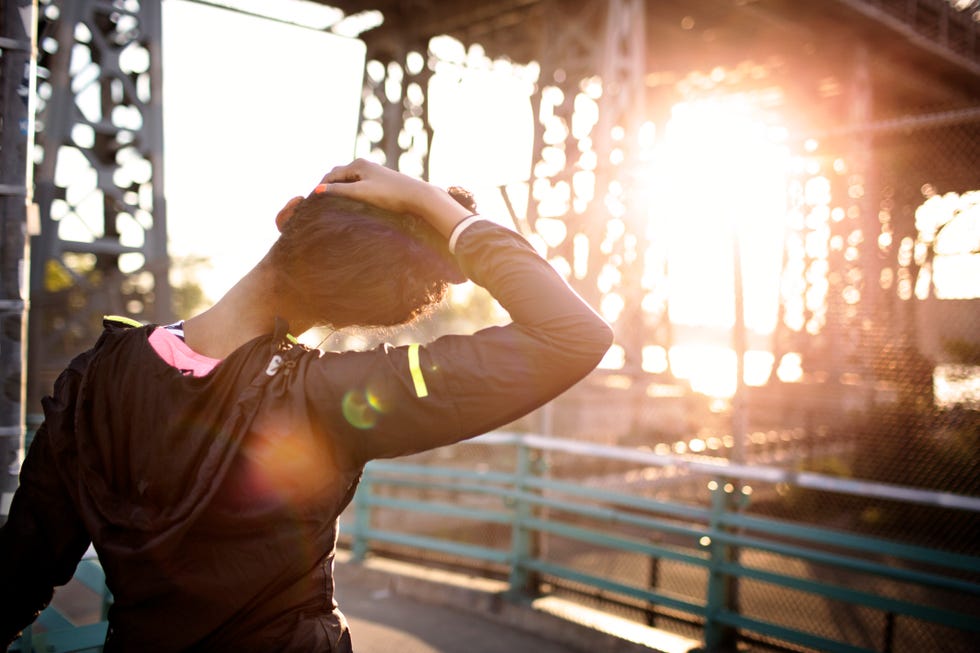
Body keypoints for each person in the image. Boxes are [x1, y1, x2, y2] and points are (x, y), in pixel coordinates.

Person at [0, 159, 613, 652]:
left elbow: (19, 575)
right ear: (370, 314)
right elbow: (572, 335)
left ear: (288, 215)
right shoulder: (334, 398)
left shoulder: (94, 378)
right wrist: (433, 206)